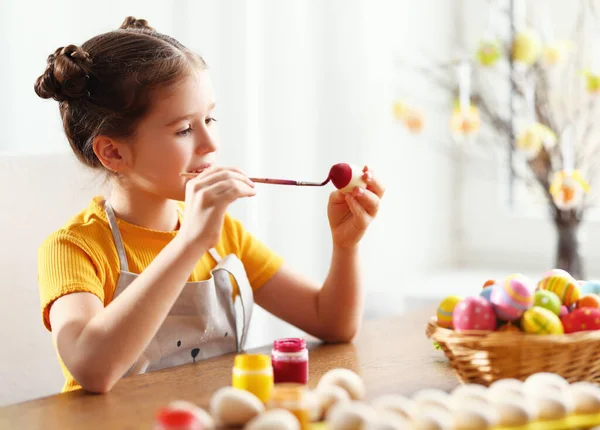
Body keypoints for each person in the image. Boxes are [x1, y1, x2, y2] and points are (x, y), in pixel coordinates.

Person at [35, 16, 385, 394]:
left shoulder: (224, 234)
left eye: (210, 118)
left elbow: (332, 322)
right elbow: (92, 368)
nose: (210, 144)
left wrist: (345, 246)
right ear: (113, 152)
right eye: (184, 129)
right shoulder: (73, 248)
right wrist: (190, 244)